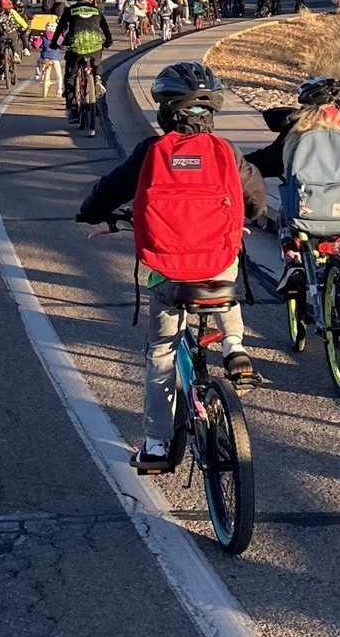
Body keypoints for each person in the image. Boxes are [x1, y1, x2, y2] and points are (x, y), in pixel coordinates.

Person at [76, 62, 267, 470]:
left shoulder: (150, 153)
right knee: (225, 267)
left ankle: (158, 445)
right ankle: (235, 347)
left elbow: (107, 191)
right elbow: (255, 197)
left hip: (169, 270)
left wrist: (90, 212)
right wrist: (247, 216)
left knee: (162, 351)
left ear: (163, 110)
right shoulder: (226, 151)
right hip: (216, 267)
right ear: (211, 112)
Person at [243, 77, 340, 288]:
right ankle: (332, 265)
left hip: (304, 209)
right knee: (335, 230)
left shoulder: (296, 134)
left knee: (284, 218)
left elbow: (267, 163)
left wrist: (240, 165)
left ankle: (293, 261)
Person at [50, 0, 113, 120]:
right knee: (96, 62)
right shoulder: (97, 11)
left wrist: (54, 43)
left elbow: (60, 29)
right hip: (95, 45)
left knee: (70, 76)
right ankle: (97, 78)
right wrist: (108, 42)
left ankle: (73, 109)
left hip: (76, 46)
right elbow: (106, 29)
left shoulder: (70, 10)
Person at [0, 0, 28, 68]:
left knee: (0, 48)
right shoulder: (12, 11)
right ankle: (15, 54)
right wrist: (25, 26)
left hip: (3, 34)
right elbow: (20, 20)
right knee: (14, 42)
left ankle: (2, 63)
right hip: (12, 33)